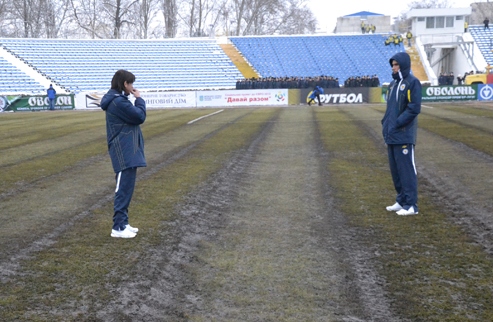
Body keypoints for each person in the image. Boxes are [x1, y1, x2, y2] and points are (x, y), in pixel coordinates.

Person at [100, 70, 147, 238]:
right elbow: (139, 116)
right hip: (123, 149)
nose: (132, 87)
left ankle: (123, 223)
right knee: (123, 188)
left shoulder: (118, 100)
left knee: (126, 188)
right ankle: (118, 227)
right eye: (131, 83)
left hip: (127, 148)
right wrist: (139, 99)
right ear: (125, 84)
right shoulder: (118, 102)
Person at [382, 52, 422, 216]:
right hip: (392, 135)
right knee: (396, 170)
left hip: (404, 134)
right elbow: (390, 109)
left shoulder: (412, 83)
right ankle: (401, 200)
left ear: (404, 65)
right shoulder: (392, 85)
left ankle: (411, 205)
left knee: (406, 170)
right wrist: (385, 123)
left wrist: (398, 123)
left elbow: (414, 108)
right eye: (392, 65)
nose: (394, 67)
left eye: (396, 64)